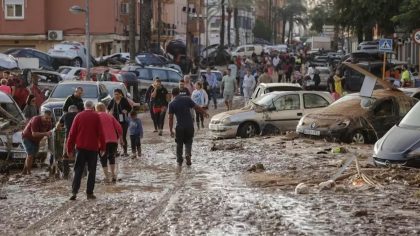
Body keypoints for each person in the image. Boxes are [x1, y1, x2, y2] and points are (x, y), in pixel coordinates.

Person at [67, 100, 105, 200]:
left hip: (80, 148)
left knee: (78, 170)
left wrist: (69, 148)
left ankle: (74, 192)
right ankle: (89, 193)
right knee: (92, 171)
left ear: (84, 107)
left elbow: (72, 134)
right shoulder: (96, 116)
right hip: (93, 148)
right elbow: (101, 133)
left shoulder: (78, 116)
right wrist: (103, 147)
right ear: (92, 107)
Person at [168, 87, 209, 166]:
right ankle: (187, 154)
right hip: (189, 125)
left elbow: (170, 118)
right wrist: (204, 113)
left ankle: (179, 161)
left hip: (179, 126)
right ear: (179, 92)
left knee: (179, 144)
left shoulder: (171, 104)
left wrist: (170, 130)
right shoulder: (187, 99)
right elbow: (196, 107)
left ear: (172, 95)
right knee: (188, 141)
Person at [96, 103, 122, 182]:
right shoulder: (110, 116)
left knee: (103, 158)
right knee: (112, 157)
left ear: (97, 109)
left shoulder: (96, 117)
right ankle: (114, 175)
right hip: (113, 141)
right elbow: (119, 127)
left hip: (102, 142)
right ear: (104, 109)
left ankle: (107, 177)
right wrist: (121, 139)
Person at [21, 110, 53, 175]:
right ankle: (28, 172)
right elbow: (34, 134)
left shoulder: (49, 123)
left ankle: (24, 171)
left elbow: (50, 133)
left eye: (49, 118)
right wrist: (45, 133)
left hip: (36, 140)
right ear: (42, 116)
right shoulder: (35, 120)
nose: (48, 120)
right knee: (30, 155)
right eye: (46, 118)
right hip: (27, 137)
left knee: (31, 155)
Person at [107, 88, 132, 156]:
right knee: (115, 136)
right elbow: (108, 108)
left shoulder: (124, 100)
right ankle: (115, 151)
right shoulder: (113, 100)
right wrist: (109, 112)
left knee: (123, 136)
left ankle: (125, 151)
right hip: (114, 121)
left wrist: (126, 111)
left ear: (120, 94)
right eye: (114, 94)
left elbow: (129, 108)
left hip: (123, 121)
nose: (116, 96)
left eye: (117, 94)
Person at [56, 105, 79, 178]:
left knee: (65, 156)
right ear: (76, 110)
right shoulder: (79, 115)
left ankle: (65, 174)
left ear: (69, 110)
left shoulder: (65, 115)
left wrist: (62, 127)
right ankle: (79, 174)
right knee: (78, 155)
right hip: (78, 138)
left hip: (68, 137)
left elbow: (57, 126)